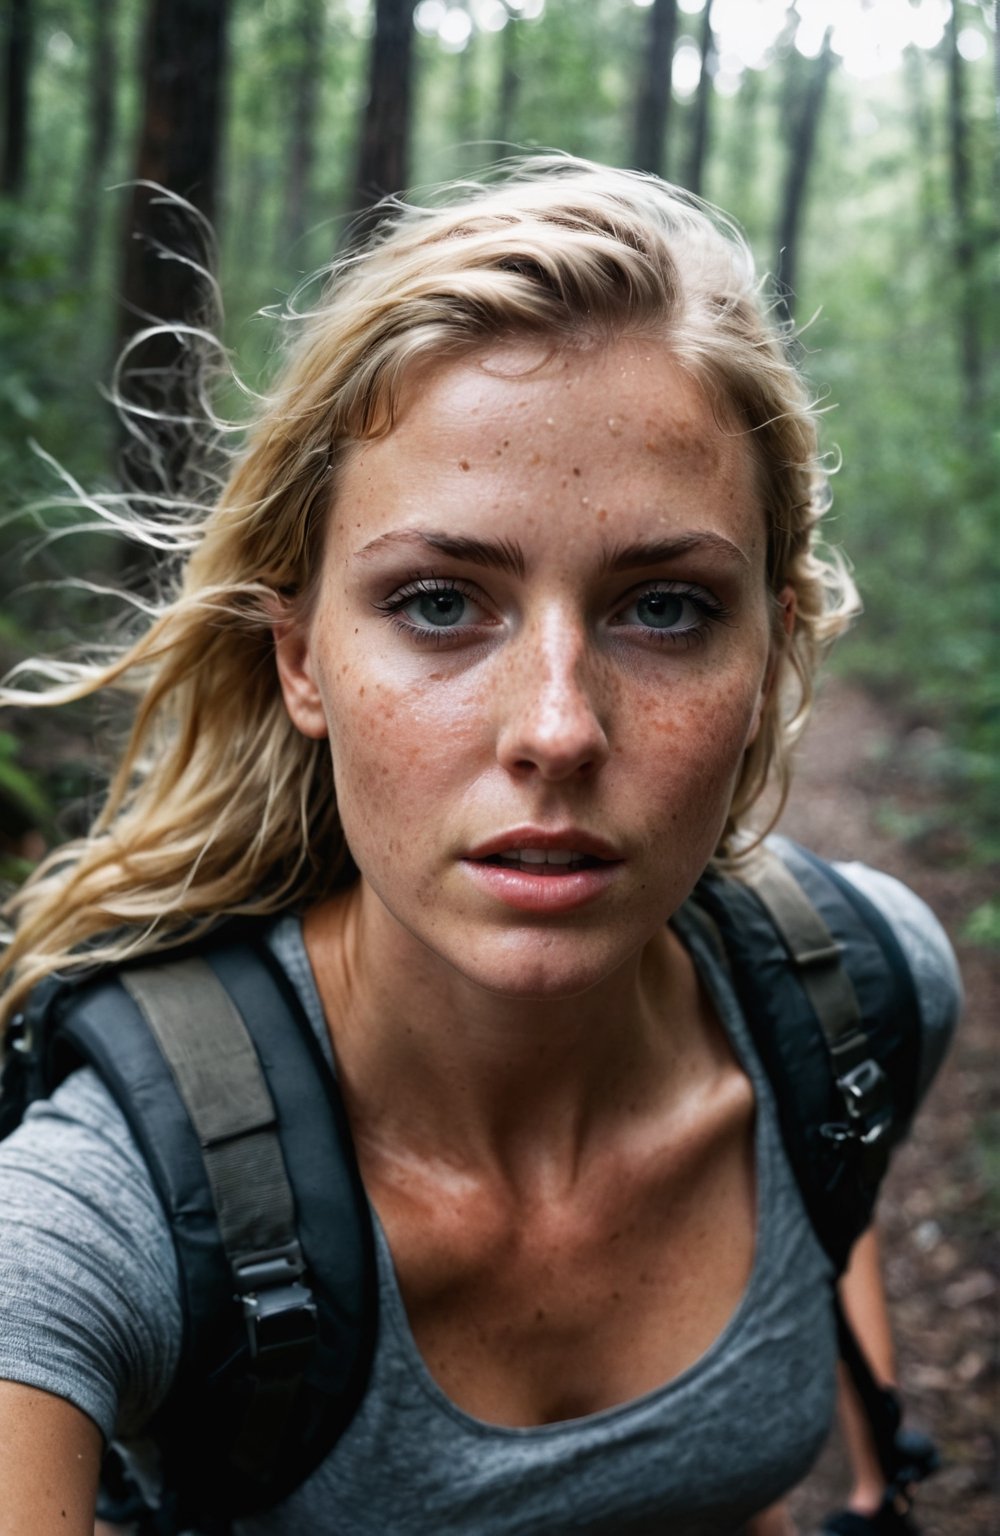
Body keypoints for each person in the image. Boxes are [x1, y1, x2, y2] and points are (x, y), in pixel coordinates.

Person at [0, 156, 959, 1535]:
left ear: (775, 650)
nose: (559, 730)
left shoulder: (864, 999)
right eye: (443, 601)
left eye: (668, 609)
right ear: (301, 660)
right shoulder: (105, 1215)